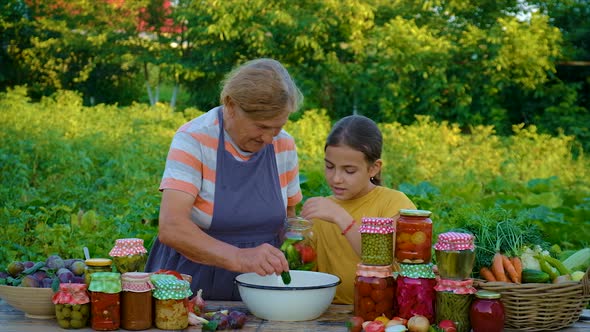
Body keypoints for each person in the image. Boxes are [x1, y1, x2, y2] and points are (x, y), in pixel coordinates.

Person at [146, 58, 304, 300]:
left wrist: (298, 244)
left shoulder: (284, 144)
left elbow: (289, 218)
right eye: (262, 127)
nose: (269, 139)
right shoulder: (194, 139)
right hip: (191, 284)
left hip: (259, 287)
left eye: (277, 127)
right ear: (231, 105)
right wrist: (241, 257)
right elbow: (172, 227)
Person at [300, 115, 416, 304]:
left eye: (349, 171)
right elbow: (304, 267)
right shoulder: (322, 211)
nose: (336, 178)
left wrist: (340, 217)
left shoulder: (394, 203)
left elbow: (380, 260)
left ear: (373, 168)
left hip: (382, 313)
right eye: (330, 167)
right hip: (329, 313)